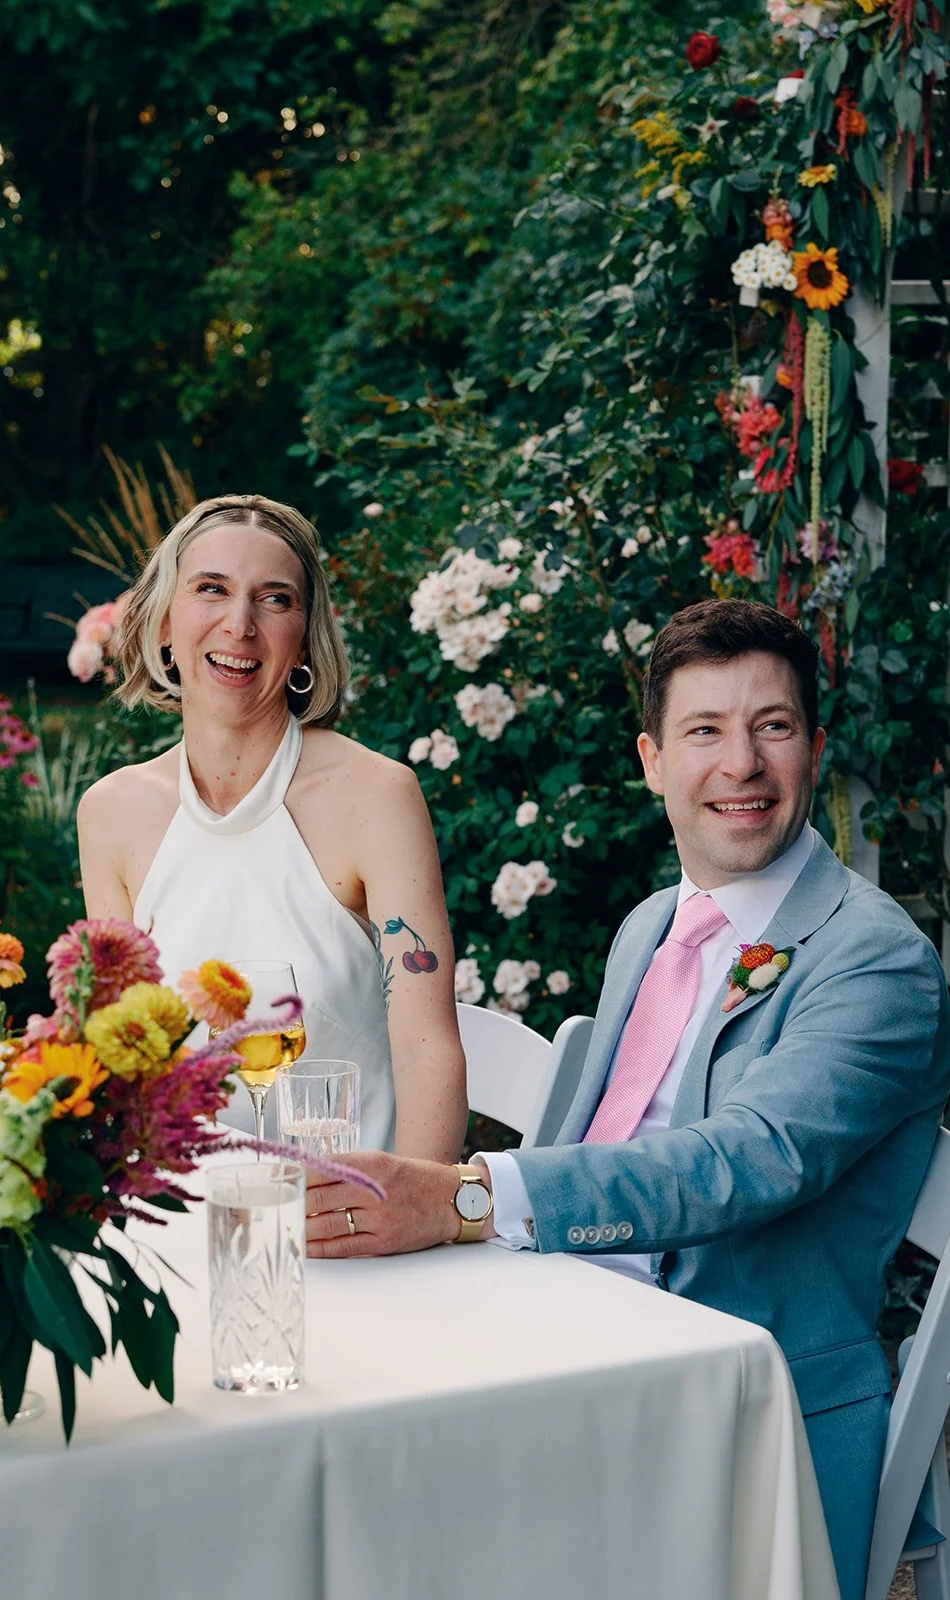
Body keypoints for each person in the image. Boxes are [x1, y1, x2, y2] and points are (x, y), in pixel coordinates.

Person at [304, 597, 950, 1600]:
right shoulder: (652, 924)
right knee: (322, 1424)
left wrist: (463, 1196)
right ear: (651, 761)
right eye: (702, 731)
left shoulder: (875, 961)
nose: (738, 765)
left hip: (736, 1409)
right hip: (562, 1338)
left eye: (770, 727)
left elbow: (744, 1160)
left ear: (813, 748)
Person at [77, 493, 468, 1162]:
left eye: (275, 600)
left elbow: (427, 1045)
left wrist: (415, 1215)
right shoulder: (111, 811)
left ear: (303, 638)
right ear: (165, 623)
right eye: (211, 590)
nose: (239, 624)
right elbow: (120, 1052)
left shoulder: (375, 795)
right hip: (178, 1213)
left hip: (348, 1223)